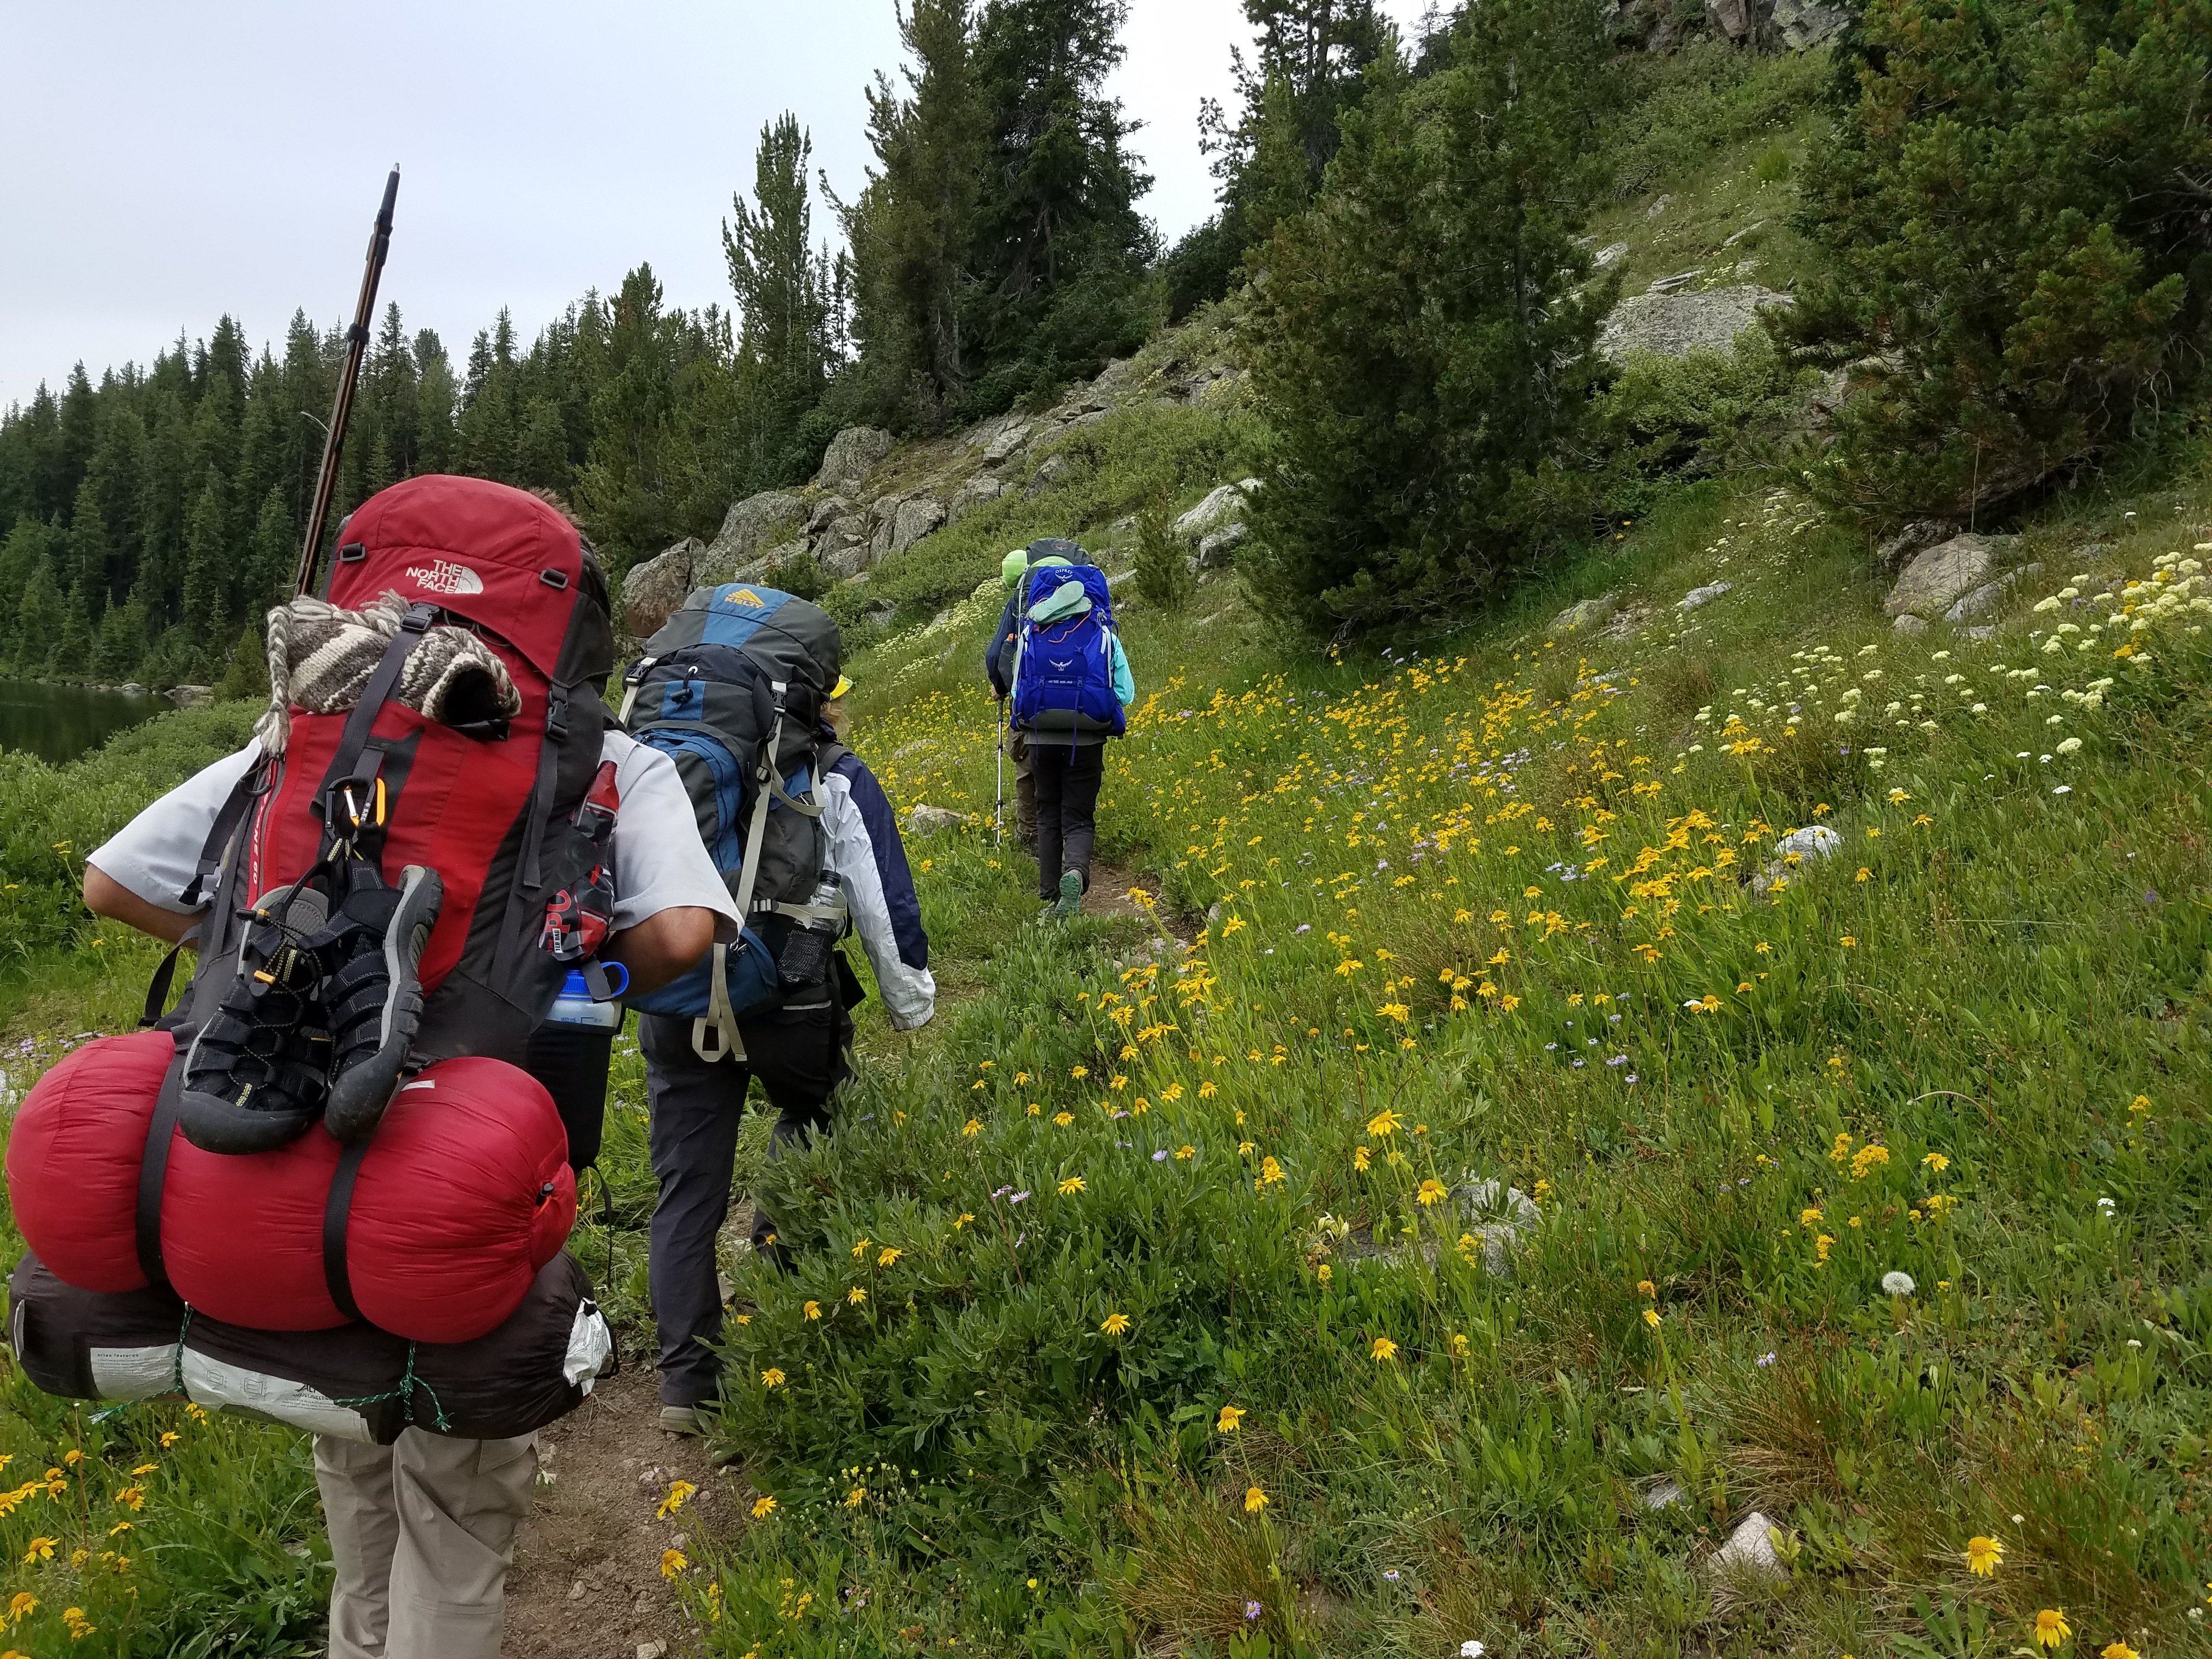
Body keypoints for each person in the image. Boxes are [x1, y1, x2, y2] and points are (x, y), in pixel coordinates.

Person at [82, 510, 736, 1659]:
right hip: (471, 1161)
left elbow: (110, 882)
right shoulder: (606, 755)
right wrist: (576, 974)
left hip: (302, 1159)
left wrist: (249, 953)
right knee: (457, 1505)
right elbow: (685, 931)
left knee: (354, 1459)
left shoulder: (315, 732)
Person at [643, 673, 935, 1436]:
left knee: (685, 1187)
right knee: (816, 1113)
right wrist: (910, 1005)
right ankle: (777, 1295)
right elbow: (884, 900)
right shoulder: (836, 774)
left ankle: (687, 1383)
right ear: (822, 700)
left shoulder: (659, 763)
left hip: (676, 997)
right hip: (791, 993)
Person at [983, 539, 1079, 844]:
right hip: (1081, 699)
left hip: (1033, 700)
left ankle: (1031, 836)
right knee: (1073, 765)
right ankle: (1073, 833)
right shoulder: (1083, 596)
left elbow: (996, 654)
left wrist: (1001, 687)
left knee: (1028, 767)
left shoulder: (1022, 600)